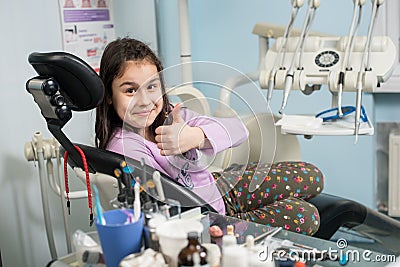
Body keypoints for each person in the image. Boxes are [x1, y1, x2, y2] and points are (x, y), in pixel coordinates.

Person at [95, 37, 324, 235]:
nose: (144, 101)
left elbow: (238, 130)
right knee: (306, 214)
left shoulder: (172, 115)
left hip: (217, 187)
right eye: (130, 90)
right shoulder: (126, 148)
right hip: (208, 223)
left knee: (312, 175)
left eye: (152, 87)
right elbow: (164, 207)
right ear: (108, 95)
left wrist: (194, 136)